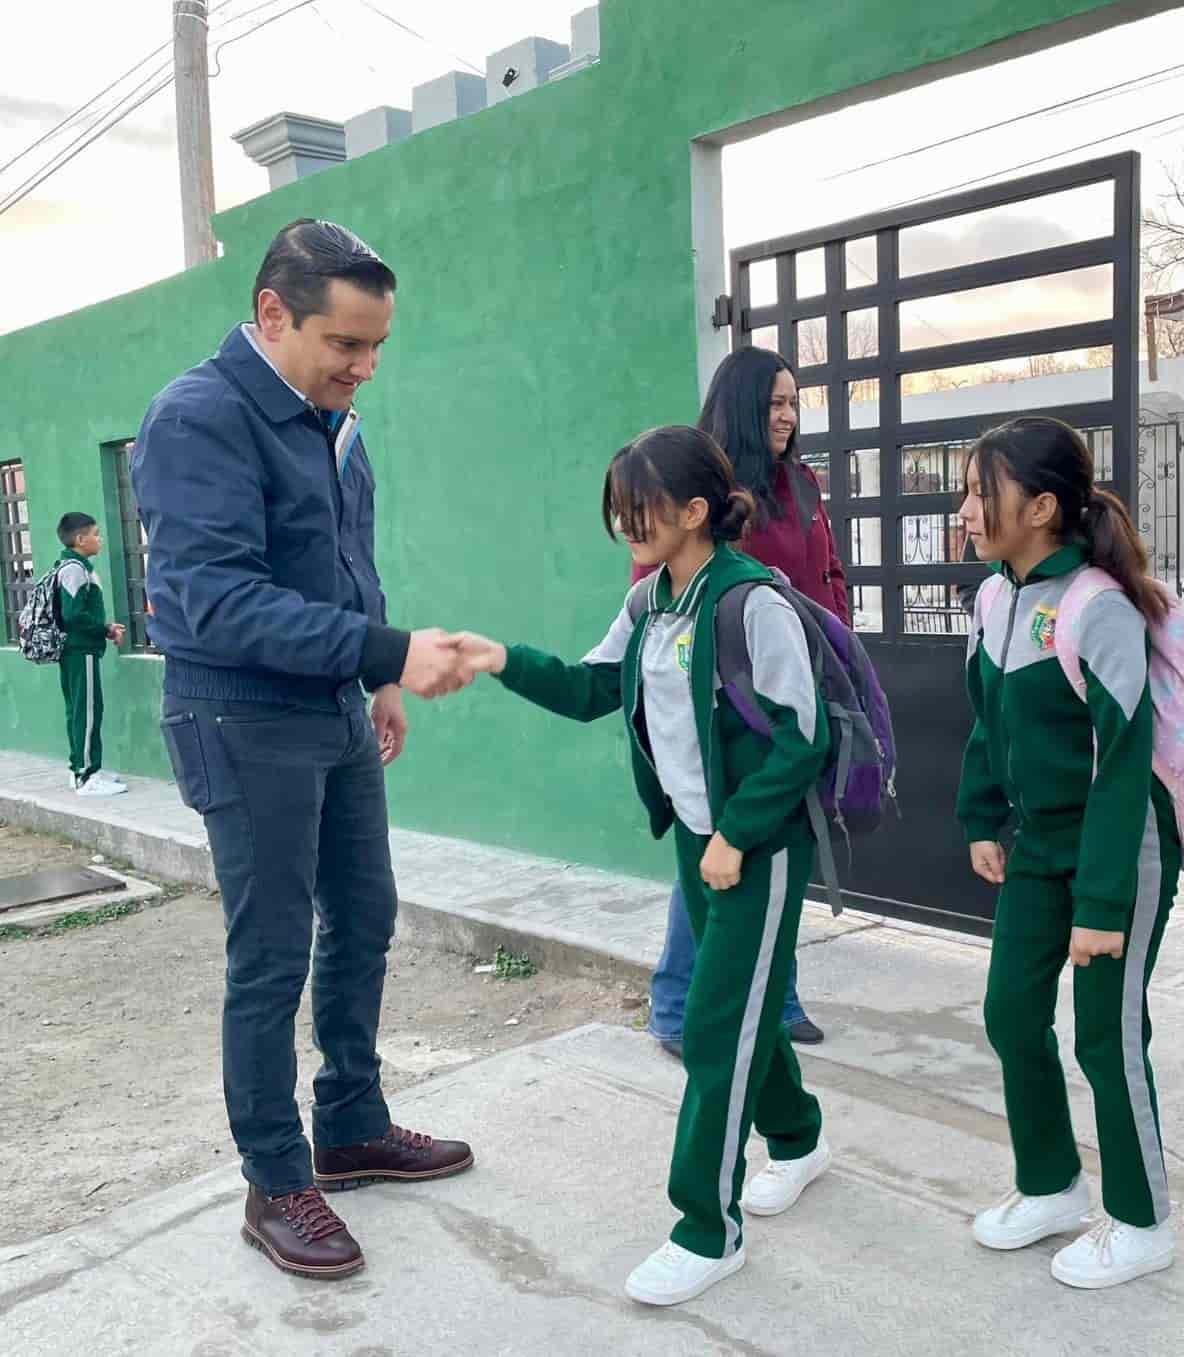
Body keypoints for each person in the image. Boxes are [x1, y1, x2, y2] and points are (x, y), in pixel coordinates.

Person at [131, 219, 475, 1282]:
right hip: (240, 715)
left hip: (329, 706)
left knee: (364, 915)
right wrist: (383, 649)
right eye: (345, 345)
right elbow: (215, 601)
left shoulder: (332, 422)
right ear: (273, 315)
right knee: (272, 952)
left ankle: (352, 1124)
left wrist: (374, 676)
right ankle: (277, 1178)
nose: (363, 368)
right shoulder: (200, 417)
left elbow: (344, 560)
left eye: (377, 348)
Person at [456, 425, 833, 1306]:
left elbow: (801, 738)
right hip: (698, 841)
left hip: (760, 847)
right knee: (740, 1016)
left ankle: (708, 1227)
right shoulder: (650, 604)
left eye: (642, 508)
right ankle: (801, 1136)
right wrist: (500, 659)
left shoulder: (750, 604)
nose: (626, 523)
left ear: (696, 511)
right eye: (618, 509)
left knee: (712, 1029)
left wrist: (739, 836)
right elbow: (593, 689)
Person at [957, 416, 1181, 1290]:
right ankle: (1051, 1183)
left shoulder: (1097, 606)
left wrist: (1101, 904)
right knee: (1012, 1015)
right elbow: (988, 720)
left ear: (1042, 505)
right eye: (969, 490)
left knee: (1106, 1038)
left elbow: (1125, 767)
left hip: (1116, 852)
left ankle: (1142, 1219)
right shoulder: (992, 597)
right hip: (1038, 846)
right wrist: (981, 817)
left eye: (984, 490)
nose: (968, 507)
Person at [642, 348, 845, 1056]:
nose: (787, 415)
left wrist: (836, 648)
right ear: (741, 406)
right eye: (773, 403)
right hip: (725, 705)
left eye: (794, 401)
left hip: (796, 692)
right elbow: (658, 580)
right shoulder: (705, 486)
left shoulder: (802, 484)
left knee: (778, 847)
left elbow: (827, 571)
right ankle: (674, 1005)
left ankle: (776, 997)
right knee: (716, 847)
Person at [53, 512, 128, 797]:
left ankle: (82, 768)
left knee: (79, 710)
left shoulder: (77, 565)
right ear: (80, 539)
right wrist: (105, 628)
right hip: (80, 650)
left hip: (78, 650)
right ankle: (86, 776)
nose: (100, 539)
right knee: (87, 712)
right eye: (96, 534)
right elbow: (73, 615)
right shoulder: (74, 568)